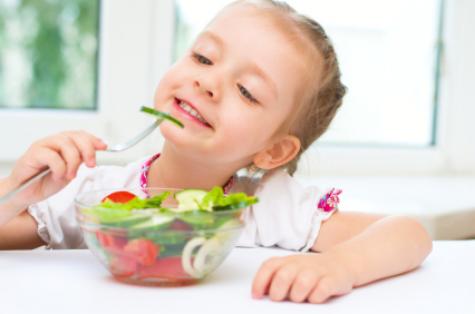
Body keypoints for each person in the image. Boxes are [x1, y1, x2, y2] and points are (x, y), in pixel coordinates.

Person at [0, 0, 432, 304]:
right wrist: (18, 190)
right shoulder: (98, 193)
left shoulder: (266, 204)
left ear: (274, 151)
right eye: (204, 58)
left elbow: (410, 234)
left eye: (246, 91)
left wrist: (339, 268)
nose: (207, 82)